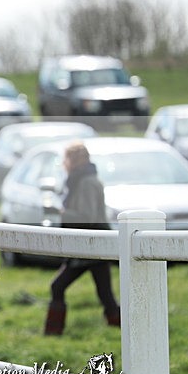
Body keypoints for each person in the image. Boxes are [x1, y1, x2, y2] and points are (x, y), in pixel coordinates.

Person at [44, 141, 120, 335]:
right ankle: (122, 328)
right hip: (90, 245)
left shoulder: (87, 182)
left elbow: (88, 217)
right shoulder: (80, 180)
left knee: (58, 286)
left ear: (73, 160)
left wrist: (60, 212)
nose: (64, 163)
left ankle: (53, 333)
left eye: (66, 158)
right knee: (106, 295)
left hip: (91, 246)